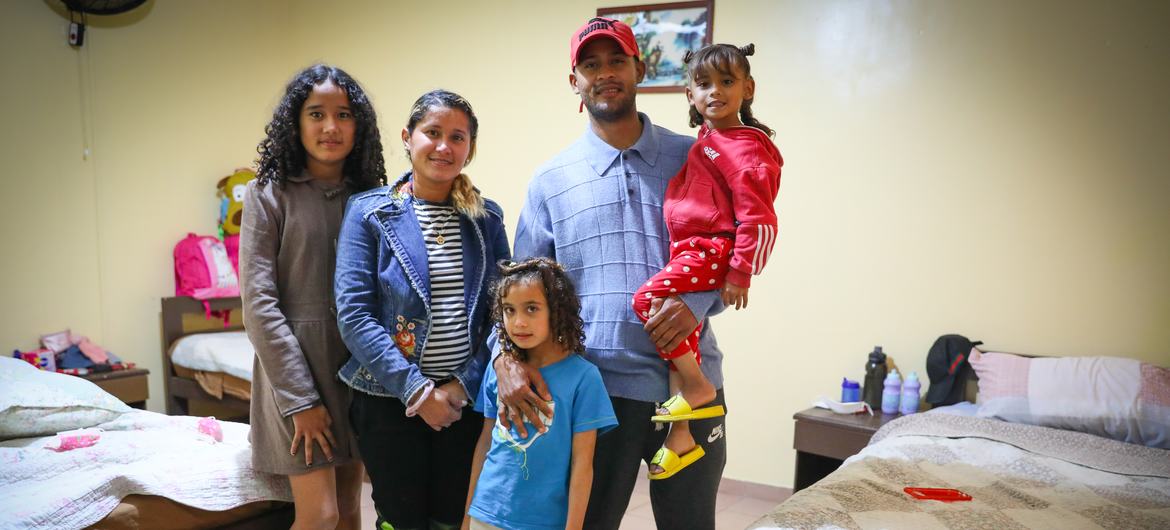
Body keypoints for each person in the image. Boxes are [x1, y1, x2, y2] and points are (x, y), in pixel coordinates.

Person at [498, 17, 727, 529]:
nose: (605, 73)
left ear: (638, 68)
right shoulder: (550, 181)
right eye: (591, 64)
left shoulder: (694, 158)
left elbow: (728, 251)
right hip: (596, 389)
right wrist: (507, 358)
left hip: (691, 384)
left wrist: (692, 305)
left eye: (616, 60)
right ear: (574, 81)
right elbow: (521, 293)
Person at [334, 89, 510, 530]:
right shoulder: (370, 213)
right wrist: (417, 391)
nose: (444, 146)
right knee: (400, 519)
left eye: (458, 137)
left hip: (463, 404)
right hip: (388, 401)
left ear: (470, 150)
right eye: (432, 133)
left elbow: (502, 313)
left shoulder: (486, 218)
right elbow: (354, 313)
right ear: (407, 138)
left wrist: (460, 387)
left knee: (455, 518)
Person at [241, 63, 385, 530]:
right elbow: (259, 305)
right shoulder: (268, 195)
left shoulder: (371, 197)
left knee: (347, 512)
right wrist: (301, 401)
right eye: (316, 113)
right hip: (294, 373)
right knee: (320, 516)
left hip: (355, 371)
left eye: (344, 115)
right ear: (296, 122)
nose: (331, 127)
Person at [633, 42, 783, 479]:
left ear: (747, 88)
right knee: (681, 338)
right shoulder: (711, 140)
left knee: (646, 302)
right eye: (704, 84)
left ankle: (698, 387)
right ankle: (681, 438)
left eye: (727, 82)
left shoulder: (746, 149)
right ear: (690, 96)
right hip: (693, 248)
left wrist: (740, 273)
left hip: (711, 249)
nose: (715, 91)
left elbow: (759, 218)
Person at [463, 258, 617, 530]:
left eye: (531, 308)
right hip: (485, 514)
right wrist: (467, 517)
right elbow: (484, 443)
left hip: (544, 522)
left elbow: (583, 464)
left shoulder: (584, 378)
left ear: (557, 311)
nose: (519, 322)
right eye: (509, 310)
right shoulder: (499, 370)